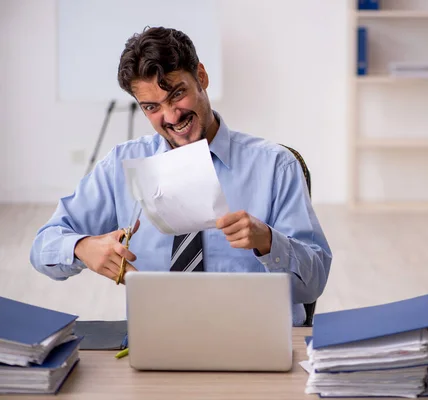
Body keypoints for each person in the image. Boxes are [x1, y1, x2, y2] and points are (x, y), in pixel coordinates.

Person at [29, 26, 332, 326]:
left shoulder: (276, 166)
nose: (172, 117)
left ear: (201, 77)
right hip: (158, 341)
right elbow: (44, 246)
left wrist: (268, 241)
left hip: (254, 339)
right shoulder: (121, 165)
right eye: (152, 107)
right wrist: (82, 247)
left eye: (177, 94)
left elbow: (315, 280)